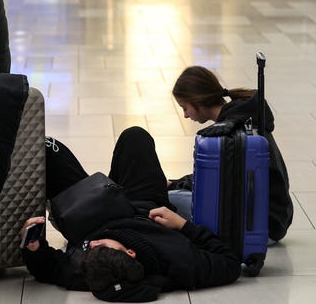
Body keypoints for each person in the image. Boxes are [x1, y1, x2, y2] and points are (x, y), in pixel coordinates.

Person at [20, 127, 241, 302]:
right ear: (130, 252)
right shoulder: (180, 262)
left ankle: (107, 186)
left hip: (87, 214)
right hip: (146, 208)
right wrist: (183, 225)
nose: (93, 243)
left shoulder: (91, 270)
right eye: (101, 246)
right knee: (135, 136)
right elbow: (230, 262)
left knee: (45, 147)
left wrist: (34, 249)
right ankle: (116, 185)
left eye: (91, 248)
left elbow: (49, 269)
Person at [168, 65, 294, 242]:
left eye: (185, 108)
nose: (186, 116)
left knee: (168, 201)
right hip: (275, 218)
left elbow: (211, 185)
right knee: (174, 194)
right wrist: (176, 182)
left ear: (197, 100)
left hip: (260, 226)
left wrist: (173, 187)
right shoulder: (242, 114)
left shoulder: (227, 135)